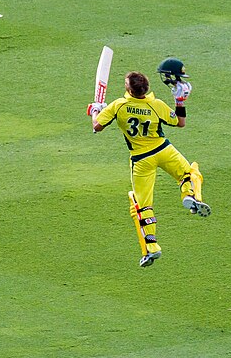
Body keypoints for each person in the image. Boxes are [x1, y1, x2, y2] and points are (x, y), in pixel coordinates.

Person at [87, 57, 211, 268]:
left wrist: (96, 109)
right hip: (163, 150)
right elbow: (180, 123)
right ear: (146, 88)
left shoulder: (119, 106)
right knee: (190, 172)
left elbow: (96, 126)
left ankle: (152, 247)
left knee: (142, 205)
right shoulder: (156, 105)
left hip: (141, 160)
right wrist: (180, 102)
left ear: (129, 89)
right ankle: (191, 195)